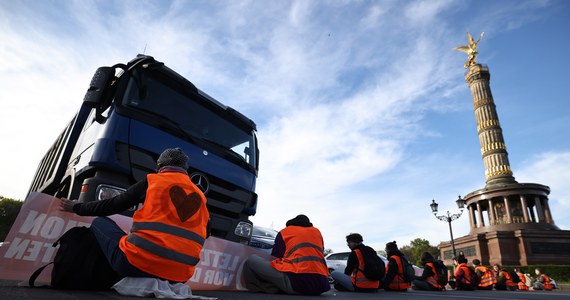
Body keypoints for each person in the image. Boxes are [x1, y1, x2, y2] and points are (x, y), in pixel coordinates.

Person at [60, 148, 210, 283]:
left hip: (136, 264)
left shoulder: (153, 180)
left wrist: (77, 207)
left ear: (160, 166)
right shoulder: (200, 196)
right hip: (179, 277)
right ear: (185, 170)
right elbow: (207, 232)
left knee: (100, 222)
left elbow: (112, 205)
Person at [242, 214, 330, 295]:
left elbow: (275, 257)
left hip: (297, 283)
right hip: (321, 285)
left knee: (251, 260)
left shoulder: (285, 231)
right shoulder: (317, 232)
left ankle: (266, 288)